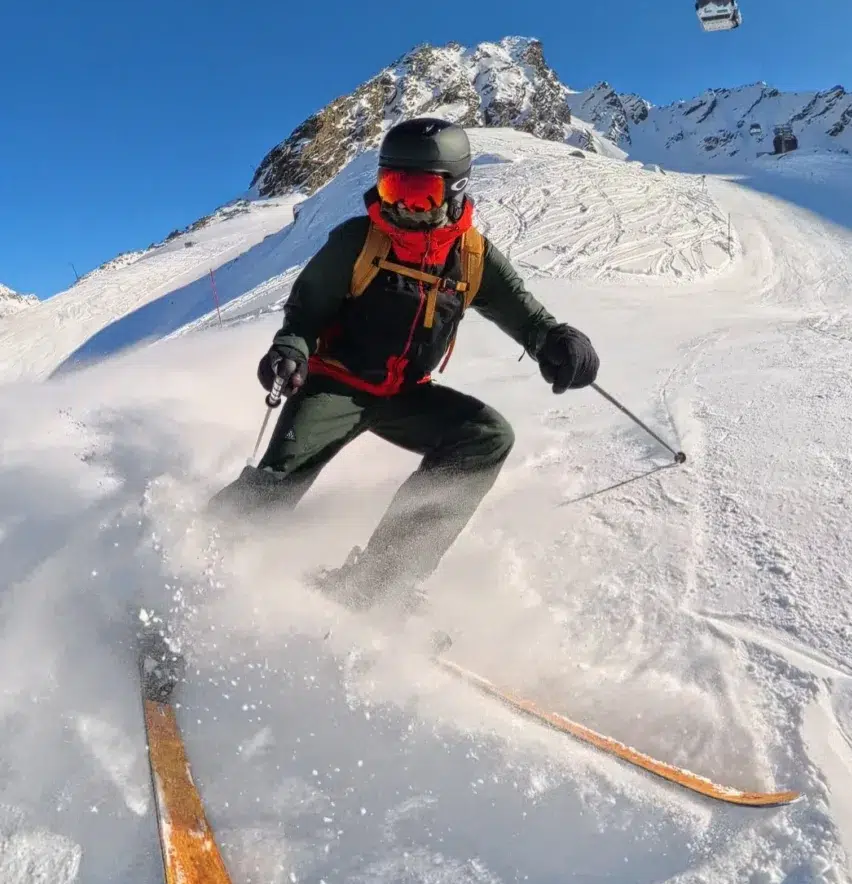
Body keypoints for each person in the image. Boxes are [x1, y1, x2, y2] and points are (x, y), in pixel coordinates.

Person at [209, 118, 599, 612]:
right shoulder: (358, 241)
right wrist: (291, 349)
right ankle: (189, 559)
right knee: (279, 482)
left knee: (486, 436)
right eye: (393, 188)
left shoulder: (472, 256)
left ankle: (379, 581)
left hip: (405, 394)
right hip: (336, 386)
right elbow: (305, 312)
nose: (401, 206)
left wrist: (557, 342)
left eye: (419, 194)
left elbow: (525, 313)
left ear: (454, 191)